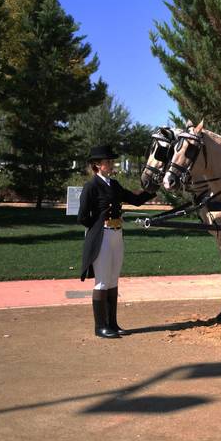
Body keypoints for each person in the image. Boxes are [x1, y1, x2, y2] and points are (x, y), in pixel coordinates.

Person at [77, 145, 157, 338]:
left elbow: (135, 200)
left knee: (113, 280)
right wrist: (97, 227)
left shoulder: (114, 184)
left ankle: (112, 323)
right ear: (97, 165)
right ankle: (100, 327)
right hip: (102, 236)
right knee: (102, 281)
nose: (111, 164)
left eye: (111, 161)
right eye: (108, 161)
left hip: (117, 235)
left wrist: (154, 188)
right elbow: (82, 217)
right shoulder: (91, 186)